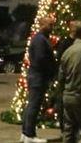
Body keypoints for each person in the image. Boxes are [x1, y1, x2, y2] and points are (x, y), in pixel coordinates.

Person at [22, 15, 56, 143]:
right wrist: (50, 71)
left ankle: (26, 133)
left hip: (36, 75)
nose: (52, 27)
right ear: (42, 25)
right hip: (38, 77)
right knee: (34, 106)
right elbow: (40, 59)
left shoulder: (40, 38)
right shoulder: (40, 40)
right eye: (50, 25)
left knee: (32, 105)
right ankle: (29, 135)